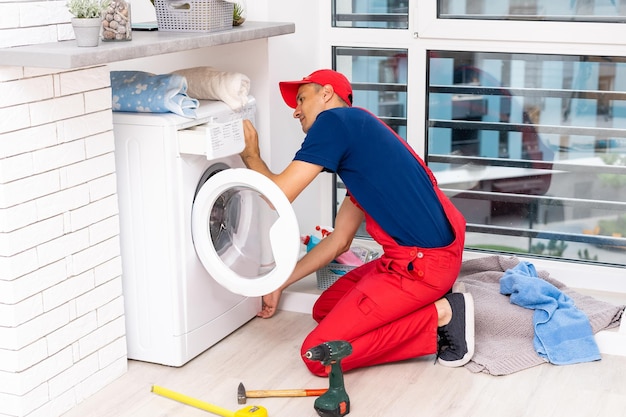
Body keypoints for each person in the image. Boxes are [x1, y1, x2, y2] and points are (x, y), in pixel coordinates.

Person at [239, 69, 474, 376]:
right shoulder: (364, 145)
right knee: (324, 309)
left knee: (318, 356)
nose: (295, 111)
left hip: (421, 268)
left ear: (326, 94)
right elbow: (340, 240)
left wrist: (251, 156)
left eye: (301, 98)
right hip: (416, 261)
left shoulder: (334, 121)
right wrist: (280, 281)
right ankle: (430, 300)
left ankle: (443, 314)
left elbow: (277, 197)